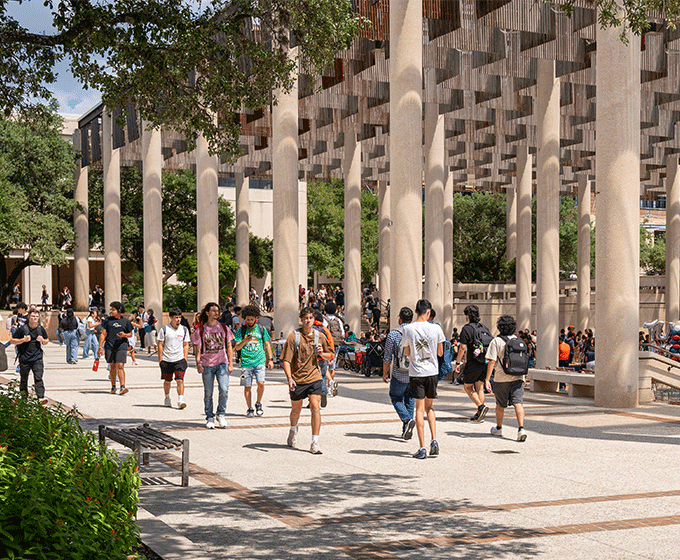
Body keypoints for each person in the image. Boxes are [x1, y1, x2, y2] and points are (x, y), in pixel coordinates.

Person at [281, 307, 333, 454]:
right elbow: (286, 360)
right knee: (296, 410)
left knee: (315, 407)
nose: (308, 320)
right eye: (305, 318)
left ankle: (314, 442)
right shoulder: (294, 336)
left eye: (310, 318)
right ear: (301, 319)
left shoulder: (320, 336)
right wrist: (290, 378)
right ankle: (293, 429)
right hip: (297, 378)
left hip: (314, 377)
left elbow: (330, 355)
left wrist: (323, 353)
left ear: (313, 319)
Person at [402, 299, 445, 459]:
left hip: (417, 372)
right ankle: (434, 439)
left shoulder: (408, 328)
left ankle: (422, 447)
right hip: (432, 372)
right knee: (430, 408)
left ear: (415, 311)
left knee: (418, 410)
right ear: (428, 312)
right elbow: (440, 352)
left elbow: (407, 352)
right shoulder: (436, 329)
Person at [191, 302, 234, 429]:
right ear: (207, 313)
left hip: (222, 363)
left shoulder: (224, 327)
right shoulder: (201, 330)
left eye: (218, 310)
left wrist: (230, 364)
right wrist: (198, 363)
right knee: (208, 392)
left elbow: (229, 346)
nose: (216, 313)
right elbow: (197, 349)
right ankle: (210, 416)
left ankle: (221, 414)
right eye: (214, 310)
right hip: (207, 365)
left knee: (224, 389)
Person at [484, 315, 528, 442]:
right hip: (518, 377)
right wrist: (524, 377)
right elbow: (523, 361)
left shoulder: (496, 342)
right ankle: (521, 429)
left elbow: (491, 361)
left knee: (500, 404)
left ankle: (499, 428)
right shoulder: (519, 341)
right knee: (518, 403)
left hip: (501, 378)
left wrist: (487, 379)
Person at [234, 305, 274, 417]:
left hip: (260, 361)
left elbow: (267, 344)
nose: (250, 321)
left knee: (261, 383)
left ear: (256, 318)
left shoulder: (261, 329)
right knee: (247, 386)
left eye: (252, 319)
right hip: (246, 362)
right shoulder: (241, 330)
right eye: (248, 319)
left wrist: (270, 359)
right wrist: (244, 340)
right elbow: (237, 347)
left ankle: (258, 403)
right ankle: (249, 408)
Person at [382, 306, 416, 440]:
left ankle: (407, 420)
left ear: (399, 319)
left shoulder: (393, 334)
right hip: (414, 373)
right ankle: (406, 429)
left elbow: (387, 358)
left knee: (395, 397)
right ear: (412, 319)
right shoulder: (416, 332)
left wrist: (385, 373)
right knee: (410, 399)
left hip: (399, 373)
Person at [455, 304, 490, 423]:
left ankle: (481, 407)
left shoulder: (467, 328)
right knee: (479, 387)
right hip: (484, 361)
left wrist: (458, 363)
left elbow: (462, 347)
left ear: (467, 316)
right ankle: (480, 414)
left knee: (467, 386)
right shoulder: (484, 327)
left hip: (473, 362)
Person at [10, 309, 49, 403]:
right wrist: (23, 340)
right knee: (24, 379)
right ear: (29, 317)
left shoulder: (40, 329)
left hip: (37, 358)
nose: (35, 318)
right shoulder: (22, 329)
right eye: (33, 316)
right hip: (25, 358)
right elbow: (12, 340)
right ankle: (24, 398)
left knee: (38, 377)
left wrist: (42, 340)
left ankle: (40, 398)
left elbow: (46, 340)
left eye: (36, 316)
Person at [158, 308, 191, 409]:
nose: (178, 320)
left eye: (179, 317)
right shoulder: (164, 329)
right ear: (171, 318)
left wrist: (185, 358)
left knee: (180, 380)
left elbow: (186, 344)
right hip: (167, 359)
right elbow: (160, 344)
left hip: (179, 360)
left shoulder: (184, 329)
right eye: (176, 317)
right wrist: (160, 359)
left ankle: (180, 400)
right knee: (167, 381)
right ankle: (167, 398)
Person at [98, 301, 133, 395]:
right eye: (111, 309)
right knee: (112, 366)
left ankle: (122, 387)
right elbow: (103, 334)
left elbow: (130, 334)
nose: (111, 311)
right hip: (109, 345)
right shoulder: (107, 321)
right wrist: (100, 347)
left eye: (113, 309)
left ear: (119, 311)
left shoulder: (126, 321)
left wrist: (124, 335)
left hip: (121, 345)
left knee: (120, 365)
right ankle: (113, 387)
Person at [323, 302, 344, 397]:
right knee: (332, 366)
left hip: (326, 345)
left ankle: (329, 384)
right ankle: (330, 386)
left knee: (324, 365)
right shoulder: (338, 320)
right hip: (336, 345)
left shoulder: (324, 320)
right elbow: (343, 334)